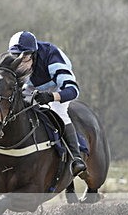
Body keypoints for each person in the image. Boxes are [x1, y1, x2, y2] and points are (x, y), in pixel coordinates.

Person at [8, 31, 87, 176]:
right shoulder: (16, 63)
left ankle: (75, 158)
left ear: (34, 54)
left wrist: (51, 96)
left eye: (24, 57)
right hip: (33, 85)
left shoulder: (51, 57)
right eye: (15, 57)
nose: (19, 63)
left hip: (57, 84)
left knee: (57, 110)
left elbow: (73, 90)